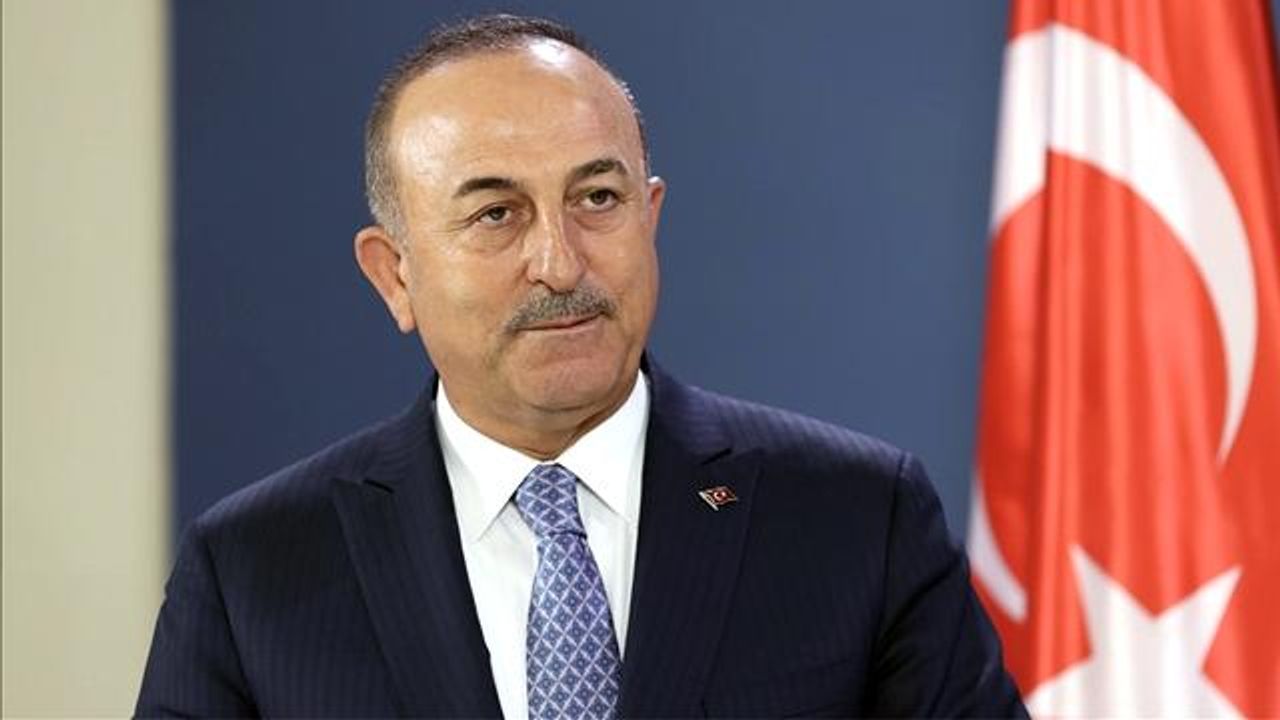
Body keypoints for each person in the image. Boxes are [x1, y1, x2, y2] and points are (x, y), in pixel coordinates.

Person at [136, 13, 1026, 718]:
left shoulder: (858, 519)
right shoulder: (253, 571)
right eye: (496, 215)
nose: (560, 264)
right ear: (395, 275)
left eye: (597, 198)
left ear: (651, 218)